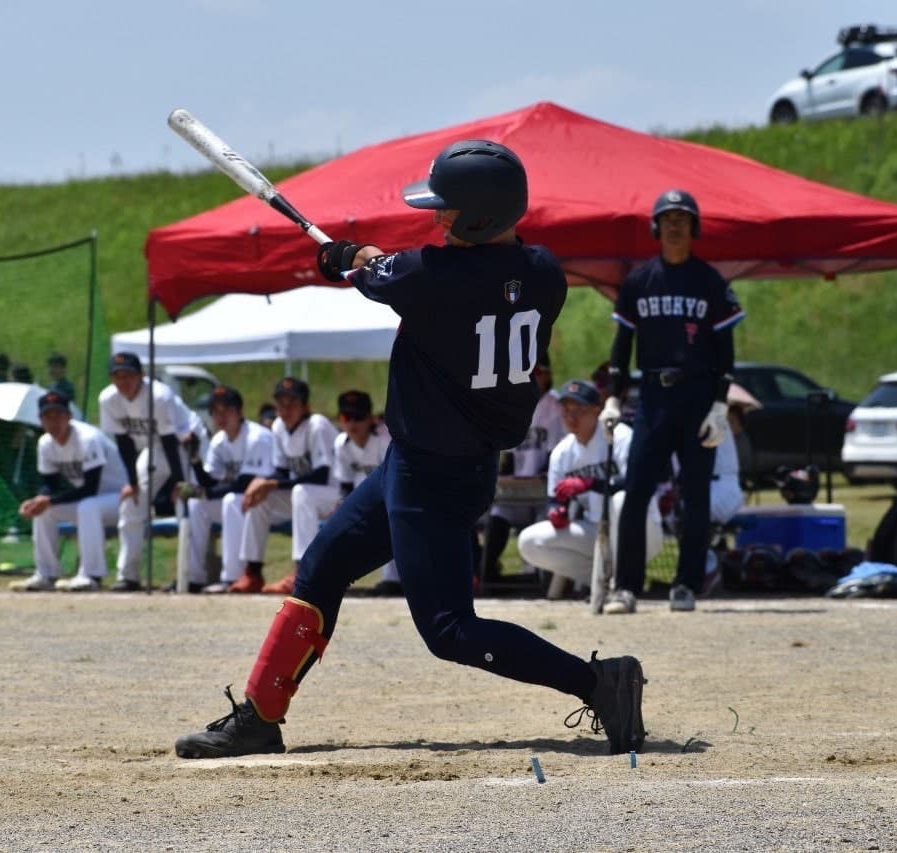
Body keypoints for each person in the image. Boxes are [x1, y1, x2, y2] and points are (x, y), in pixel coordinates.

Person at [175, 138, 645, 760]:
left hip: (433, 477)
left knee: (449, 630)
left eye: (448, 209)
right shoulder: (543, 273)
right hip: (434, 466)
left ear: (480, 216)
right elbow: (399, 271)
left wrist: (346, 254)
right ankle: (260, 716)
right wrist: (363, 261)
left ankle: (597, 682)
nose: (437, 217)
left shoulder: (429, 277)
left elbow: (361, 269)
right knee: (322, 568)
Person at [603, 189, 744, 614]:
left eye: (682, 219)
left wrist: (720, 405)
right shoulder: (638, 281)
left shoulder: (710, 282)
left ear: (694, 226)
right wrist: (613, 399)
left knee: (696, 494)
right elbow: (622, 344)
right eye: (668, 219)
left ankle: (686, 585)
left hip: (697, 395)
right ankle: (625, 587)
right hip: (652, 395)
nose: (675, 226)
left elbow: (726, 352)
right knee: (636, 490)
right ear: (656, 227)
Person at [516, 379, 666, 600]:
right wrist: (556, 511)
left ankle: (622, 582)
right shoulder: (562, 452)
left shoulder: (620, 436)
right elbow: (554, 499)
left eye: (579, 409)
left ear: (598, 409)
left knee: (621, 500)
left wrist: (591, 484)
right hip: (596, 531)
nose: (571, 417)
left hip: (641, 531)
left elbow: (636, 483)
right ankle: (604, 583)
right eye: (566, 410)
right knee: (529, 542)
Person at [9, 391, 126, 592]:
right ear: (40, 420)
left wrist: (48, 500)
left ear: (69, 416)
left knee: (87, 506)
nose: (53, 421)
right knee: (44, 510)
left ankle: (91, 576)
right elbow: (51, 486)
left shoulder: (88, 439)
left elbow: (90, 489)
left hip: (122, 500)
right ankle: (46, 574)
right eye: (48, 416)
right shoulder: (45, 444)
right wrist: (38, 500)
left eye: (58, 415)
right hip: (92, 503)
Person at [230, 377, 337, 594]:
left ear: (305, 406)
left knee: (299, 491)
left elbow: (321, 475)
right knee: (261, 496)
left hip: (336, 495)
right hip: (306, 498)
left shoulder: (317, 425)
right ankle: (253, 572)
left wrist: (272, 482)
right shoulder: (278, 426)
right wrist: (261, 482)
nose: (285, 409)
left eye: (292, 403)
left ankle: (303, 573)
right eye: (281, 403)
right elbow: (281, 471)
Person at [97, 351, 189, 592]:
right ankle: (128, 575)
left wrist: (179, 482)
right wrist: (133, 482)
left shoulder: (159, 396)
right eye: (117, 376)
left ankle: (190, 575)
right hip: (154, 449)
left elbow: (170, 441)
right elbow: (124, 441)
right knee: (131, 502)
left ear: (140, 375)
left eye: (128, 375)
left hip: (185, 444)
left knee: (186, 505)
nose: (123, 381)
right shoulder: (108, 399)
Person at [179, 386, 275, 593]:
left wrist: (204, 492)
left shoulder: (257, 437)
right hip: (242, 502)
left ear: (239, 411)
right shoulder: (219, 440)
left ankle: (232, 577)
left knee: (231, 500)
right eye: (215, 411)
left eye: (227, 410)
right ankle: (193, 578)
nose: (221, 416)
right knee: (196, 503)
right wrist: (194, 457)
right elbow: (209, 482)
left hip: (268, 503)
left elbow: (244, 484)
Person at [481, 351, 564, 585]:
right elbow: (507, 457)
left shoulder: (555, 405)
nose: (532, 377)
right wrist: (505, 477)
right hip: (515, 493)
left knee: (542, 525)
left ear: (547, 375)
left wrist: (538, 478)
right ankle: (487, 579)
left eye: (536, 372)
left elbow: (554, 454)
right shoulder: (513, 405)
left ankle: (541, 581)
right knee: (497, 518)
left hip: (542, 493)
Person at [326, 390, 401, 595]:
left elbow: (395, 479)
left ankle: (394, 579)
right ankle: (334, 576)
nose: (352, 423)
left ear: (371, 419)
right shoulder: (341, 443)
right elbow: (345, 485)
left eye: (358, 417)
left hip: (396, 493)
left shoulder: (385, 438)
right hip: (367, 498)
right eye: (346, 417)